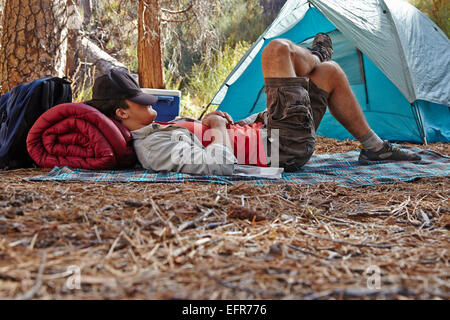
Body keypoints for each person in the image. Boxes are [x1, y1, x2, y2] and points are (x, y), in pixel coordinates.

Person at [86, 33, 420, 175]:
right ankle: (313, 56)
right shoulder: (153, 149)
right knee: (277, 50)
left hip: (271, 131)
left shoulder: (158, 130)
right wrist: (216, 127)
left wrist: (244, 119)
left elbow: (233, 138)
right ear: (122, 112)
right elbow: (219, 165)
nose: (151, 103)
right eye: (141, 101)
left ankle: (374, 146)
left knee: (329, 74)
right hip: (281, 147)